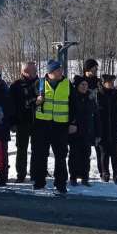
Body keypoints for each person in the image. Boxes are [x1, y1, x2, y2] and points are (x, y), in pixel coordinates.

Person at [30, 59, 71, 194]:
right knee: (40, 155)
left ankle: (60, 184)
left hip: (60, 126)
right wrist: (36, 101)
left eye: (60, 69)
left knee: (60, 156)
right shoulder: (39, 83)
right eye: (58, 70)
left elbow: (73, 105)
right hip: (42, 125)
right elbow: (27, 103)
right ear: (51, 72)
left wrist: (73, 123)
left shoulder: (67, 84)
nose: (61, 72)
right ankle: (39, 182)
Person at [68, 75, 101, 186]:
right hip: (75, 131)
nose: (84, 86)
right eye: (82, 84)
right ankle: (73, 177)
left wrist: (97, 133)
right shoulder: (72, 97)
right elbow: (69, 113)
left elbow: (96, 116)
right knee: (74, 155)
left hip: (88, 131)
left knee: (86, 156)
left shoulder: (91, 98)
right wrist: (71, 123)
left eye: (86, 84)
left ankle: (85, 177)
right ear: (77, 86)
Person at [96, 74, 117, 183]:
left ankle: (116, 174)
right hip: (102, 128)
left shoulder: (116, 94)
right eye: (108, 82)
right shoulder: (98, 94)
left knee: (115, 153)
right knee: (104, 153)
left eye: (112, 82)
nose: (111, 84)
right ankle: (105, 173)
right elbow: (94, 113)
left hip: (115, 128)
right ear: (103, 83)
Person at [9, 62, 39, 183]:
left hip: (39, 121)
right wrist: (13, 123)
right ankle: (21, 174)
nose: (31, 74)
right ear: (22, 71)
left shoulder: (41, 83)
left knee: (37, 149)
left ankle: (35, 172)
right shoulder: (16, 85)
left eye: (33, 71)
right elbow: (11, 106)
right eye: (28, 71)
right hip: (22, 122)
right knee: (22, 149)